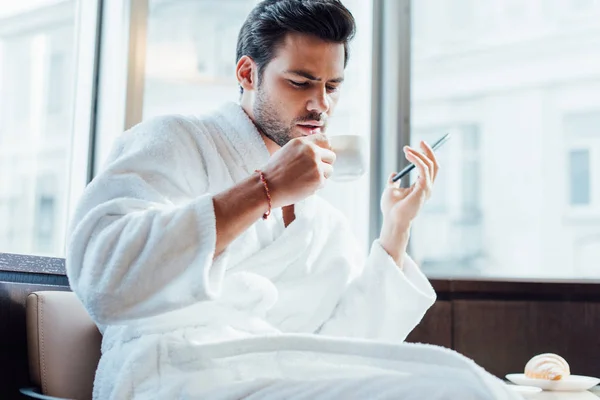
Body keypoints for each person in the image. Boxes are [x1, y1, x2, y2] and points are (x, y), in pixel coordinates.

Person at [67, 1, 519, 399]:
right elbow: (105, 276)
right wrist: (265, 188)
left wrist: (395, 229)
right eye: (301, 82)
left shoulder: (321, 220)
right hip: (174, 375)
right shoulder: (176, 140)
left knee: (469, 385)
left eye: (332, 86)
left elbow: (341, 347)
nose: (320, 104)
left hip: (280, 373)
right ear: (248, 73)